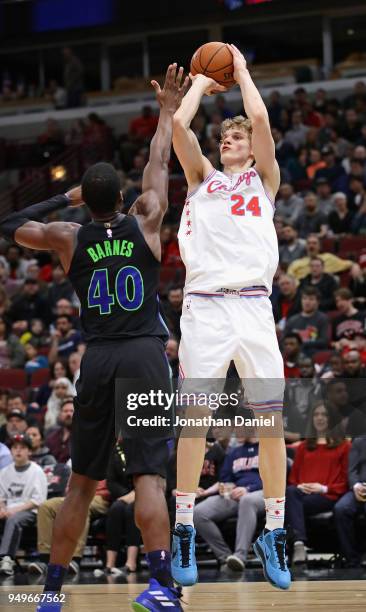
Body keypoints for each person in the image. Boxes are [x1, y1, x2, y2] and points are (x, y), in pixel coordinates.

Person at [0, 63, 188, 612]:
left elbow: (11, 225)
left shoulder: (67, 237)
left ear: (89, 198)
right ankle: (161, 589)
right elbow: (159, 158)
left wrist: (67, 200)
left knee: (81, 483)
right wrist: (167, 111)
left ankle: (52, 594)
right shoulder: (148, 219)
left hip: (99, 358)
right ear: (124, 198)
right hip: (145, 355)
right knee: (149, 476)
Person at [172, 44, 290, 590]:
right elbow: (178, 125)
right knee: (193, 422)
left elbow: (261, 116)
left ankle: (275, 531)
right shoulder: (201, 180)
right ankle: (183, 529)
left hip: (254, 307)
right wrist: (199, 81)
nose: (228, 141)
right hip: (205, 309)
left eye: (235, 137)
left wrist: (239, 69)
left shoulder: (263, 181)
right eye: (225, 137)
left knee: (270, 425)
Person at [286, 402, 350, 565]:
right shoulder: (304, 447)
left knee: (288, 505)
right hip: (303, 495)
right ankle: (299, 544)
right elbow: (293, 478)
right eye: (316, 414)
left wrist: (322, 488)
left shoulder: (344, 446)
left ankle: (292, 547)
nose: (319, 418)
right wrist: (301, 486)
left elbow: (345, 480)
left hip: (329, 495)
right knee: (291, 492)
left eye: (324, 414)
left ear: (332, 418)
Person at [194, 438, 264, 571]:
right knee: (198, 513)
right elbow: (225, 479)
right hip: (236, 494)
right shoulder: (234, 452)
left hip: (263, 492)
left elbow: (276, 477)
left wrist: (248, 489)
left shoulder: (269, 447)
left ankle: (240, 555)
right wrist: (227, 487)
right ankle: (226, 558)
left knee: (247, 500)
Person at [0, 434, 47, 576]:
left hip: (30, 512)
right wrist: (2, 508)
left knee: (14, 519)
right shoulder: (4, 472)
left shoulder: (37, 471)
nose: (18, 451)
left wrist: (13, 510)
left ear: (29, 451)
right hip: (9, 510)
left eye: (22, 448)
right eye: (15, 448)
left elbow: (37, 501)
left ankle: (6, 559)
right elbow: (1, 496)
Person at [333, 437, 366, 567]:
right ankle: (352, 558)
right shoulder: (358, 441)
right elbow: (352, 470)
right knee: (341, 508)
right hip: (359, 488)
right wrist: (356, 486)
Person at [284, 286, 329, 355]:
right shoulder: (292, 320)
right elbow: (283, 340)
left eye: (311, 299)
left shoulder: (322, 318)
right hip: (293, 355)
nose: (307, 302)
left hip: (313, 354)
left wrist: (303, 344)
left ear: (318, 302)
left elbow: (324, 341)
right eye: (304, 298)